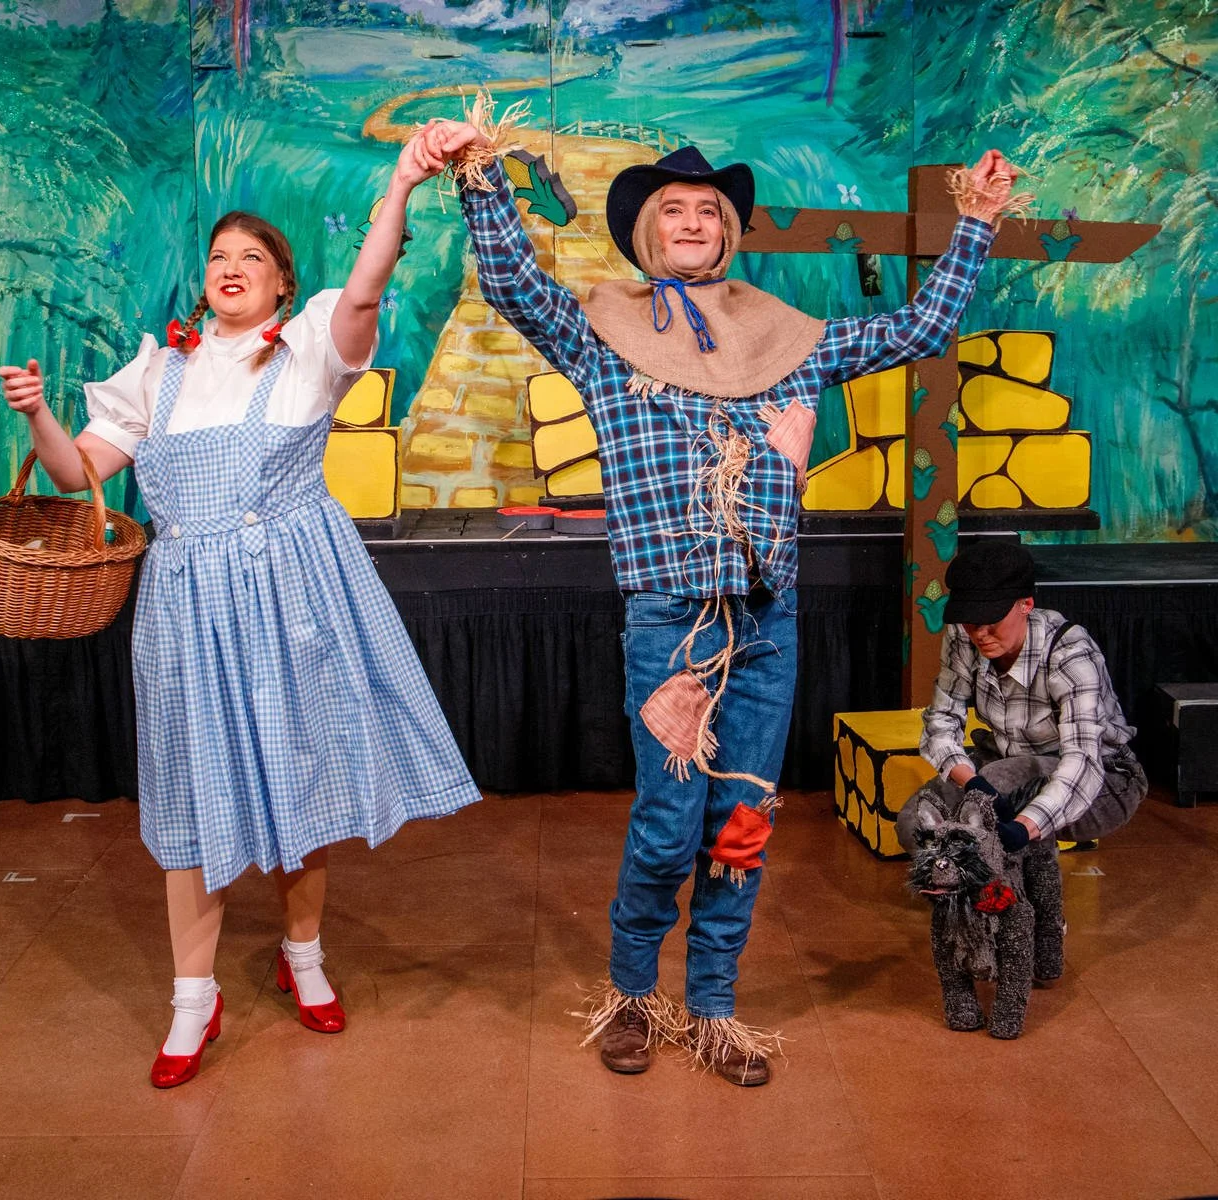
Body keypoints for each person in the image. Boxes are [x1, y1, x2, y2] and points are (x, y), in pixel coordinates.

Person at [420, 117, 1021, 1086]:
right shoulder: (606, 337)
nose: (694, 221)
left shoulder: (786, 340)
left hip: (765, 624)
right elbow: (514, 284)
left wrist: (977, 224)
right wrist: (481, 178)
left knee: (742, 826)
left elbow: (913, 330)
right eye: (675, 209)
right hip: (671, 622)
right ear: (647, 232)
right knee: (668, 825)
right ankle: (631, 995)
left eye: (709, 209)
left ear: (728, 233)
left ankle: (712, 1008)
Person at [0, 131, 481, 1089]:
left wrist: (399, 185)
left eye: (251, 258)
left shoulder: (307, 353)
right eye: (219, 256)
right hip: (187, 607)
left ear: (280, 284)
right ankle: (193, 1001)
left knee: (302, 783)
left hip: (291, 594)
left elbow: (365, 290)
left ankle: (304, 957)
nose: (230, 267)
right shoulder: (158, 374)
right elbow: (76, 474)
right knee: (190, 796)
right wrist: (39, 414)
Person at [900, 539, 1147, 984]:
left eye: (991, 619)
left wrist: (1022, 827)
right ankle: (990, 909)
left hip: (1106, 781)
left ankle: (1032, 923)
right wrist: (972, 784)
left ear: (1025, 605)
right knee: (915, 824)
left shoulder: (1070, 654)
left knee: (1000, 787)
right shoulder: (964, 637)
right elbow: (941, 724)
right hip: (1004, 763)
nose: (979, 633)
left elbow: (1082, 764)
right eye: (970, 620)